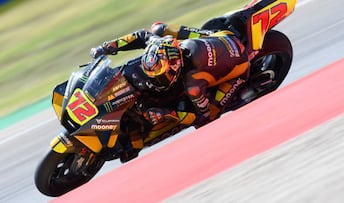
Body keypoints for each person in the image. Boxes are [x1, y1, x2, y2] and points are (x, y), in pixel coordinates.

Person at [90, 20, 249, 129]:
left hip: (241, 65)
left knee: (207, 118)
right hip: (221, 35)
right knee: (158, 28)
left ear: (175, 67)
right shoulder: (163, 46)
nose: (154, 78)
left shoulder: (193, 84)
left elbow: (202, 116)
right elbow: (140, 35)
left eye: (159, 75)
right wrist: (106, 48)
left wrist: (168, 113)